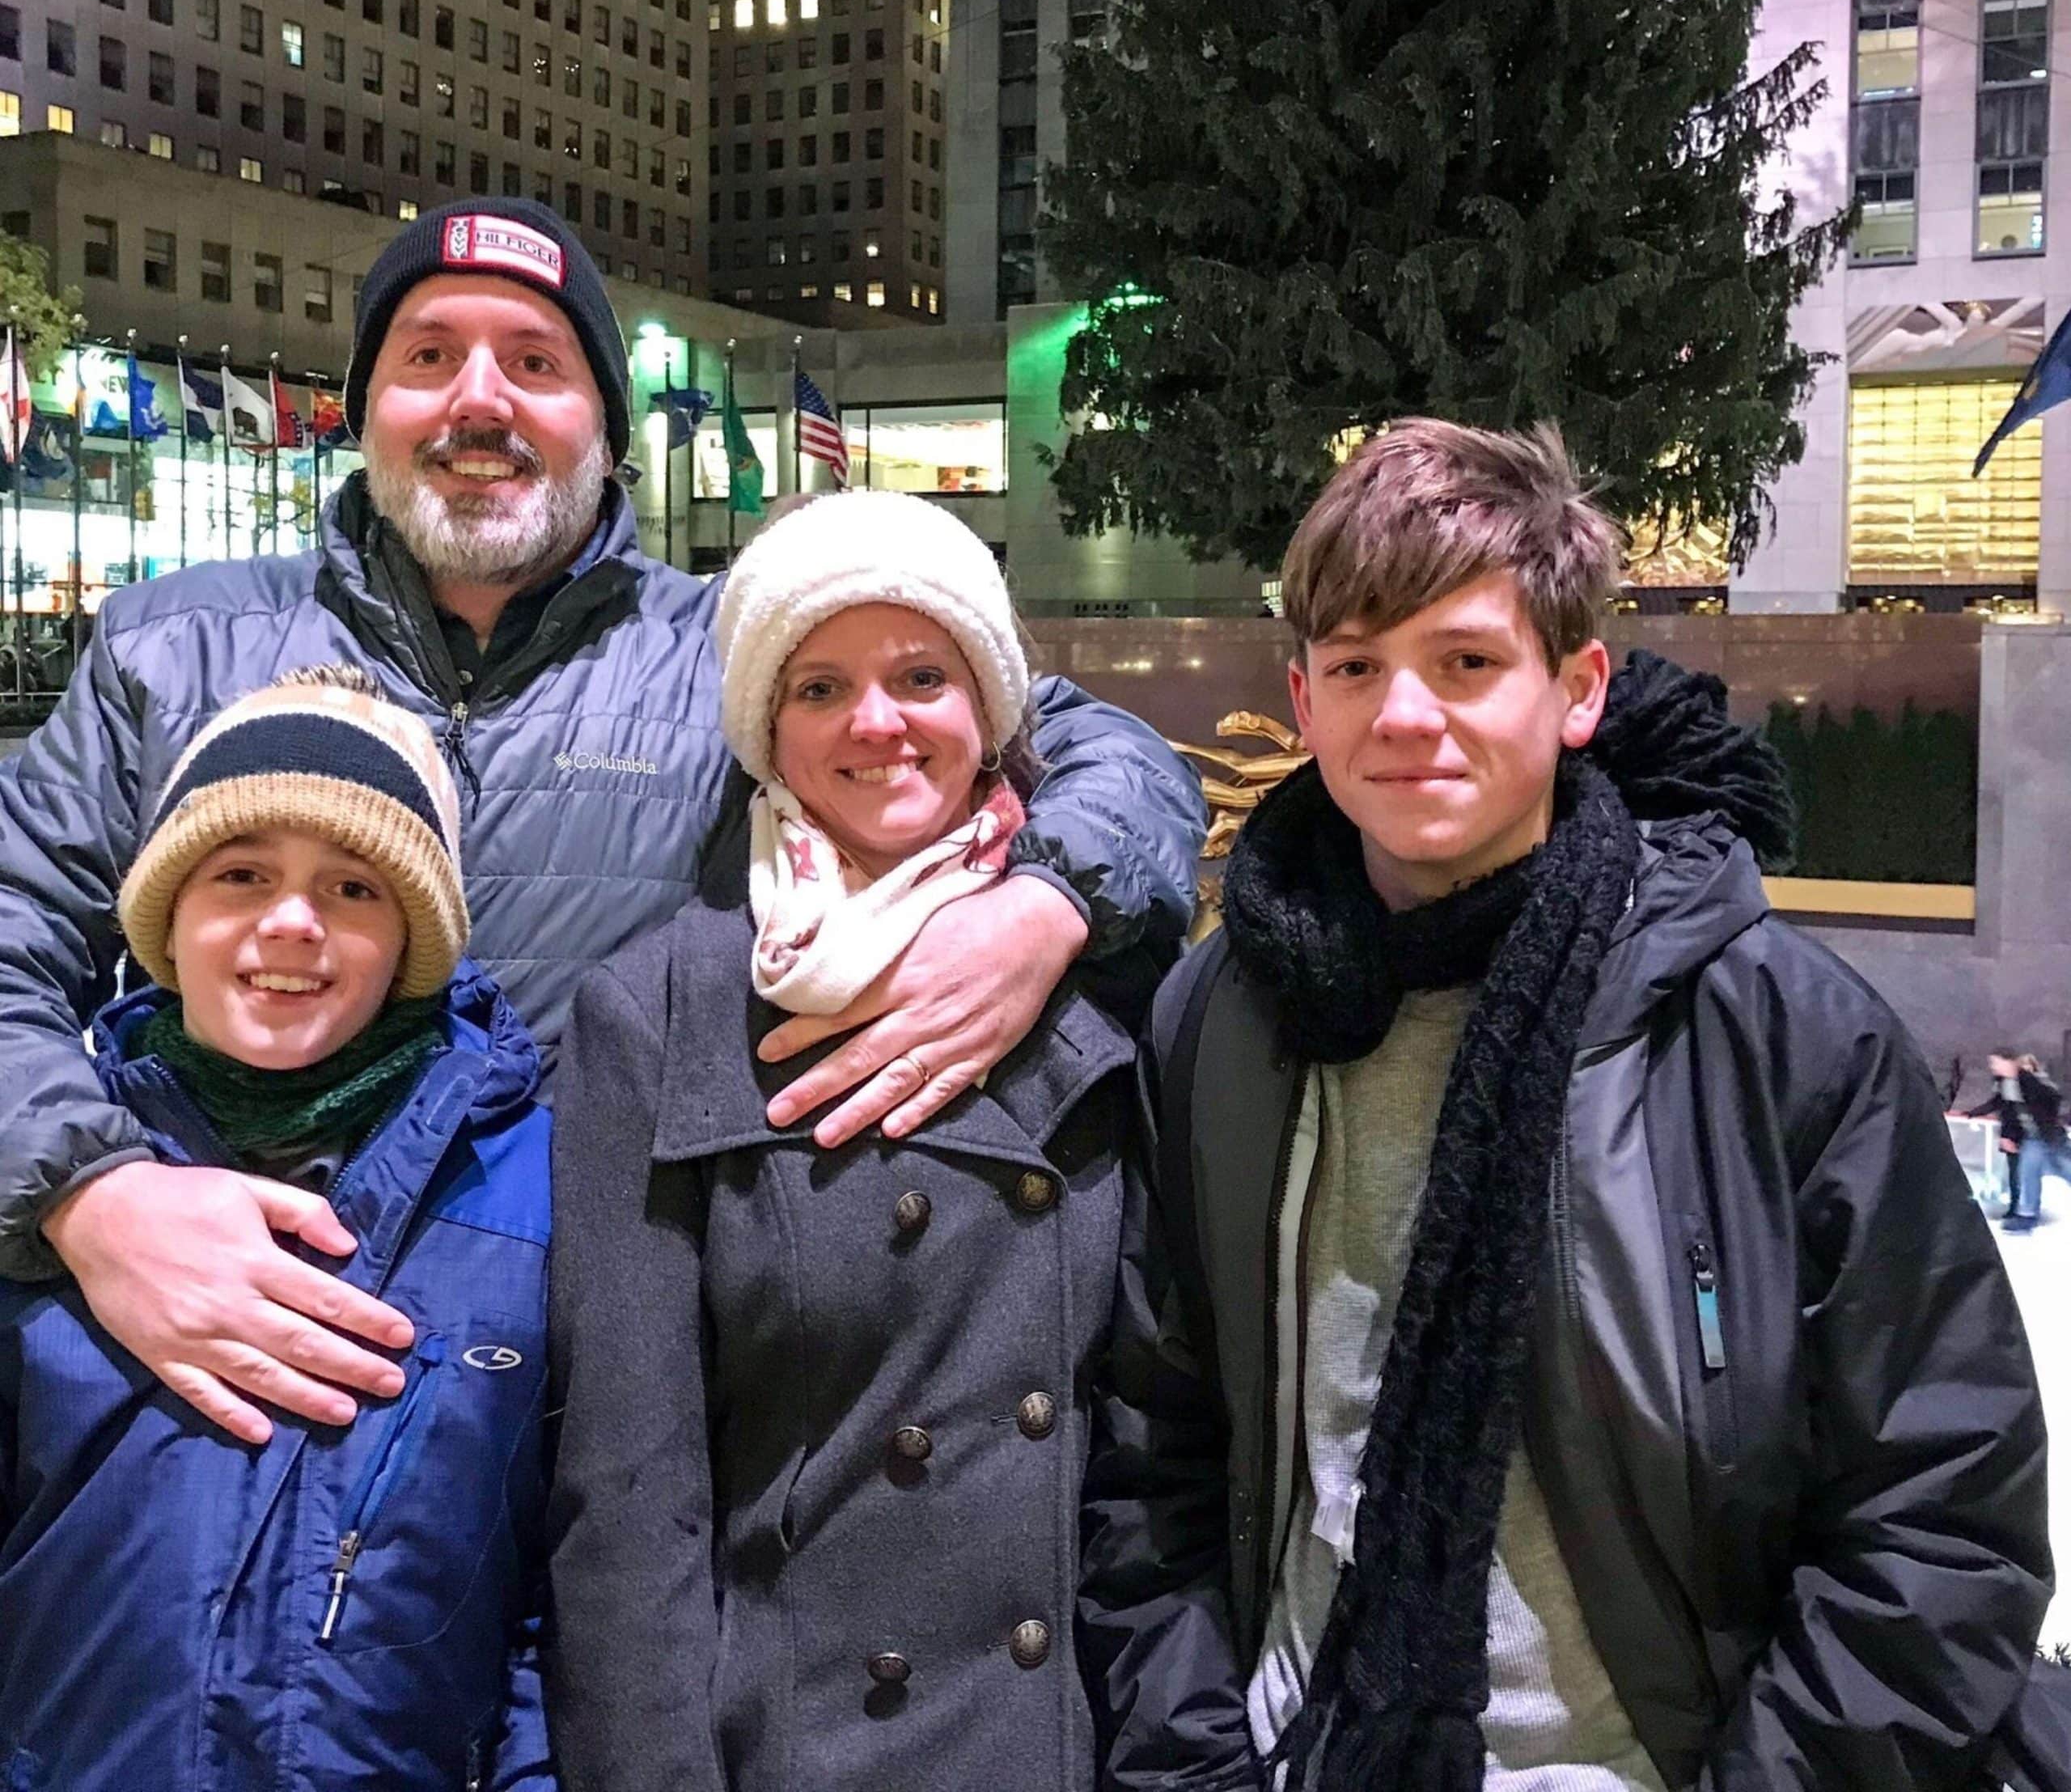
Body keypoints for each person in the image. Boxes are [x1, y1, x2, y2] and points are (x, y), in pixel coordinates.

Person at [0, 197, 1204, 1448]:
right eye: (427, 356)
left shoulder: (728, 660)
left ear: (606, 428)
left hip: (585, 1381)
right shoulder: (170, 646)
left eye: (536, 362)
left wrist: (1045, 905)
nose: (481, 402)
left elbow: (1094, 749)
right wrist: (86, 1192)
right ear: (366, 409)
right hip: (204, 1361)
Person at [1082, 422, 2051, 1790]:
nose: (1405, 714)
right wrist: (1194, 1767)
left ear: (1577, 686)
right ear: (1305, 705)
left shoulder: (1769, 1034)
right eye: (1358, 666)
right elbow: (1153, 1455)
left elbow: (1943, 1514)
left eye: (1466, 661)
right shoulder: (1221, 1023)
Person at [547, 491, 1149, 1791]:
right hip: (803, 1748)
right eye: (821, 686)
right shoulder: (661, 1010)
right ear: (767, 731)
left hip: (1074, 1745)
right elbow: (629, 1505)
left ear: (989, 707)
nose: (877, 724)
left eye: (922, 675)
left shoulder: (1108, 977)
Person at [0, 667, 552, 1790]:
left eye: (355, 888)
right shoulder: (38, 1190)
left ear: (414, 938)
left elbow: (570, 1576)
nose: (292, 923)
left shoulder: (535, 1191)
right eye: (241, 874)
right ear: (167, 914)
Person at [1993, 1048, 2070, 1233]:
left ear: (2009, 1062)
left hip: (2049, 1135)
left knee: (2065, 1167)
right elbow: (2008, 1112)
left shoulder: (2028, 1079)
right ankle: (2026, 1215)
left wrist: (2045, 1119)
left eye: (1996, 1062)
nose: (1993, 1067)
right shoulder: (2005, 1084)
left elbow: (2054, 1097)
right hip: (2031, 1138)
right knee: (2028, 1172)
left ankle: (2026, 1214)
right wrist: (2008, 1136)